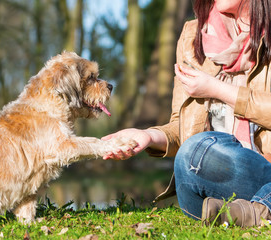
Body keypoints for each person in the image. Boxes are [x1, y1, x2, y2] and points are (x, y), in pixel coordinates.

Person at [102, 0, 271, 227]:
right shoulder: (192, 37)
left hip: (265, 170)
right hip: (223, 176)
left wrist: (216, 89)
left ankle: (253, 213)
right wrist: (150, 136)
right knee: (192, 155)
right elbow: (182, 128)